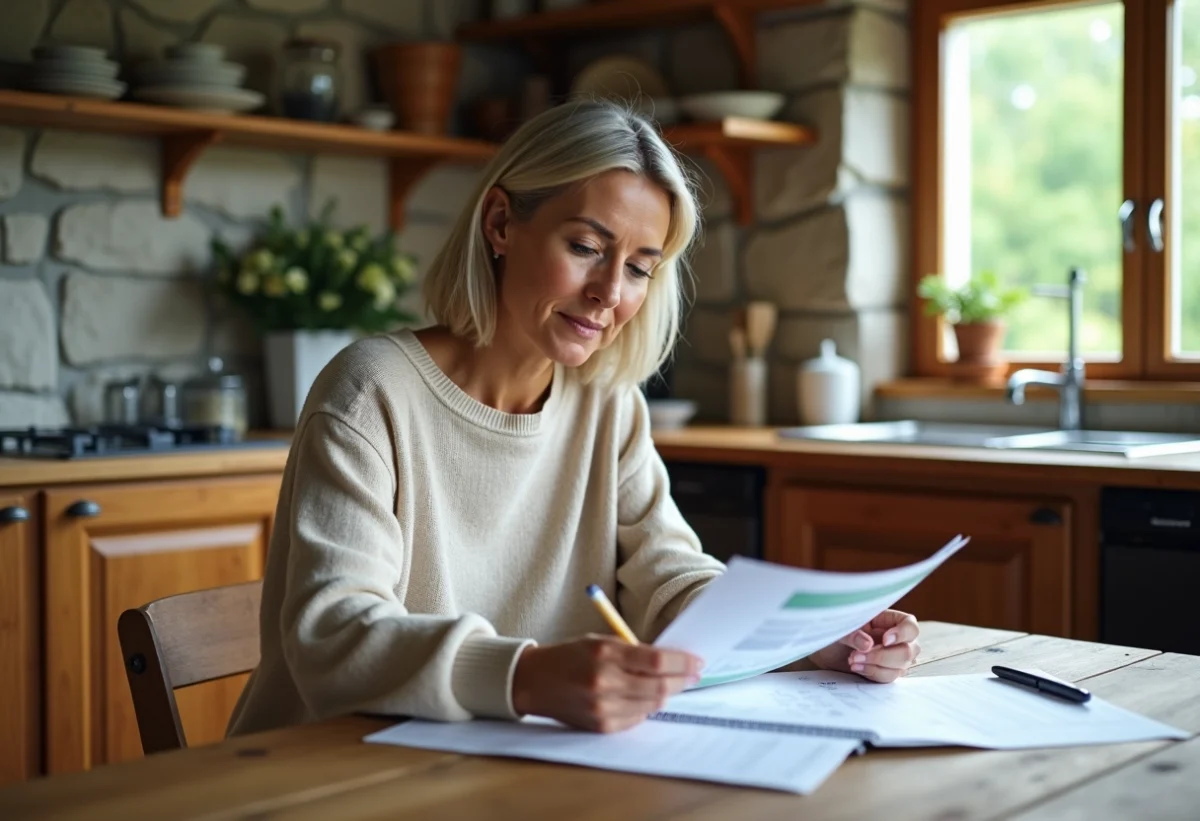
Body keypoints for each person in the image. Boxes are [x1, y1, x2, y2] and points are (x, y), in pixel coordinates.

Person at [226, 100, 921, 738]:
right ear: (501, 224)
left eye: (640, 268)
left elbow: (666, 574)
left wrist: (803, 637)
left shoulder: (607, 401)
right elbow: (334, 638)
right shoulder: (371, 390)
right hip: (327, 769)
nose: (610, 293)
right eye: (586, 247)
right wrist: (525, 675)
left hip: (498, 764)